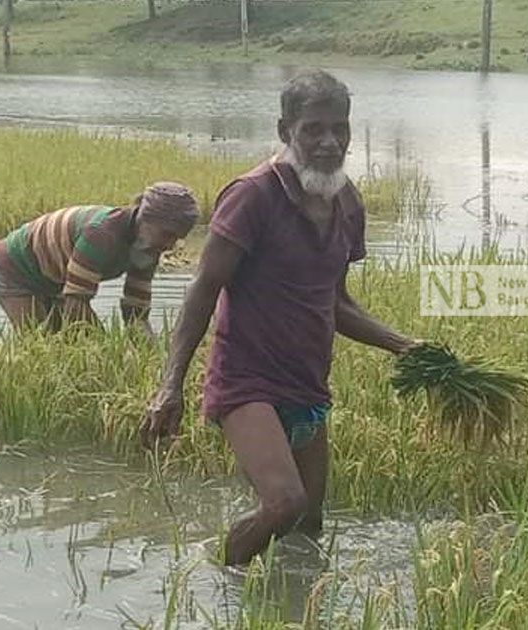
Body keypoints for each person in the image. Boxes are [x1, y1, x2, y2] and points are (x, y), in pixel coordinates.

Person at [140, 70, 419, 566]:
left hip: (307, 383)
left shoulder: (348, 204)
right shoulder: (253, 196)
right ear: (284, 130)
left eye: (340, 128)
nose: (329, 142)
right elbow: (204, 289)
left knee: (309, 520)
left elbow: (336, 304)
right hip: (247, 381)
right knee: (283, 504)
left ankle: (294, 604)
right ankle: (213, 581)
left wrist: (404, 346)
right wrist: (171, 385)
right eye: (313, 129)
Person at [0, 183, 198, 338]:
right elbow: (75, 304)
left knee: (64, 344)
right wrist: (107, 351)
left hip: (54, 278)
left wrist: (151, 354)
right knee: (38, 344)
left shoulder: (148, 247)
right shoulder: (101, 235)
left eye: (177, 238)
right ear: (145, 220)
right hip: (14, 268)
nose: (171, 245)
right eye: (167, 234)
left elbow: (136, 313)